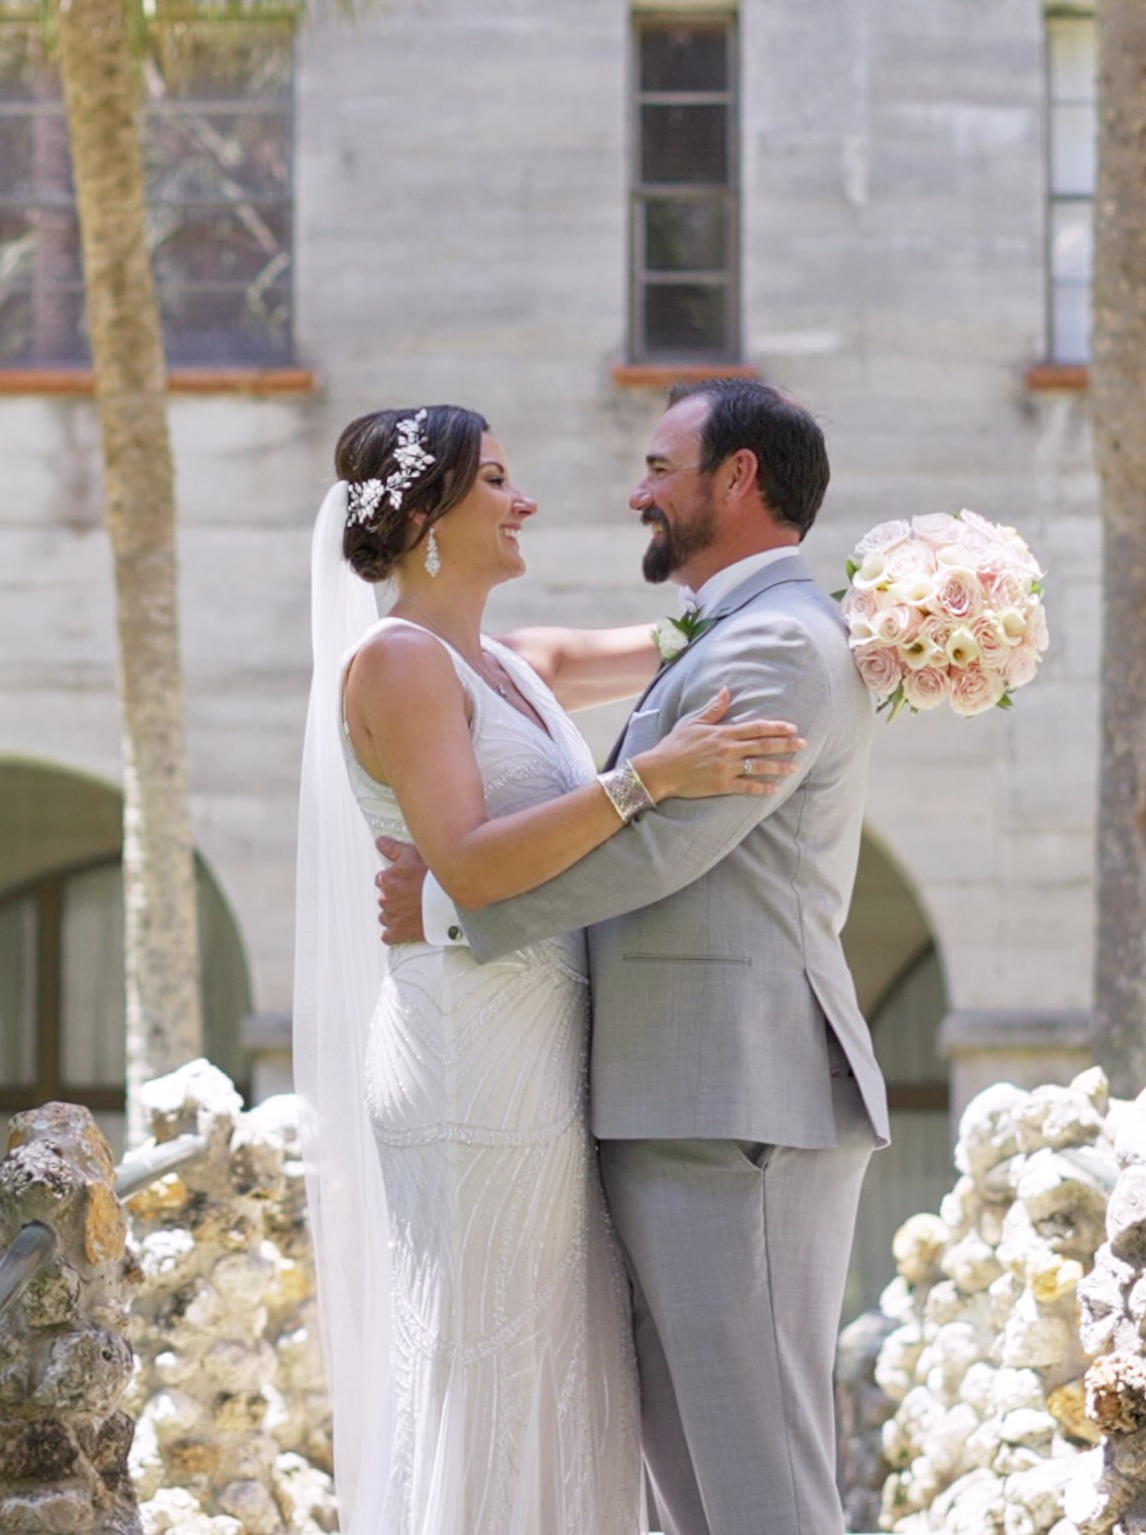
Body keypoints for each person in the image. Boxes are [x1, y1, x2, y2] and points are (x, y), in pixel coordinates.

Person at [383, 379, 892, 1535]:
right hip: (678, 1099)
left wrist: (454, 908)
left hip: (739, 1105)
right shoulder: (734, 632)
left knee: (761, 1475)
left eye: (661, 468)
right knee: (691, 1474)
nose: (635, 493)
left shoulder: (777, 646)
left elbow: (663, 851)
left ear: (739, 478)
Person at [293, 401, 807, 1535]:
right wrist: (648, 783)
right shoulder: (398, 664)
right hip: (469, 1061)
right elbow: (470, 869)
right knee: (489, 1357)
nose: (524, 502)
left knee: (563, 1361)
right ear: (427, 514)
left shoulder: (517, 666)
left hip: (542, 1055)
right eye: (498, 483)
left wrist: (903, 612)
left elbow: (705, 630)